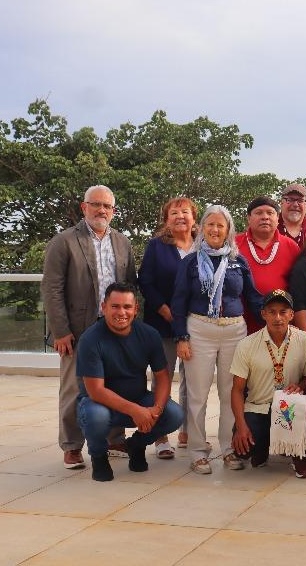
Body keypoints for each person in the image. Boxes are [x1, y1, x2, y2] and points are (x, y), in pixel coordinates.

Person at [42, 185, 138, 470]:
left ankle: (114, 439)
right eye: (96, 204)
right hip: (77, 328)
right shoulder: (64, 241)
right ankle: (72, 446)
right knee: (74, 388)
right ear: (84, 207)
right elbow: (51, 288)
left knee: (115, 383)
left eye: (107, 206)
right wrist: (61, 331)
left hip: (116, 327)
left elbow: (130, 287)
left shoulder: (122, 242)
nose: (101, 210)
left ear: (113, 211)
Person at [172, 205, 265, 474]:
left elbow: (253, 297)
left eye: (220, 225)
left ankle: (228, 448)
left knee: (230, 393)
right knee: (198, 395)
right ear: (202, 228)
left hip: (234, 332)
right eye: (210, 224)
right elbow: (178, 301)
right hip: (199, 330)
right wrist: (181, 337)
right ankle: (197, 451)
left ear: (228, 230)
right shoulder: (190, 261)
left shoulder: (239, 261)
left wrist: (275, 317)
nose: (215, 230)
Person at [76, 282, 184, 481]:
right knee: (95, 416)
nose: (121, 312)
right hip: (99, 405)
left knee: (174, 414)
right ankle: (99, 456)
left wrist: (156, 409)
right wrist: (135, 411)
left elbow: (162, 376)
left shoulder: (149, 334)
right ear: (104, 307)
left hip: (138, 398)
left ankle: (136, 445)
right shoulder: (90, 339)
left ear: (136, 309)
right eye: (115, 306)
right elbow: (96, 391)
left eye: (127, 307)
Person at [228, 290, 306, 477]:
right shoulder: (246, 344)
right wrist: (241, 427)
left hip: (289, 407)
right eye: (272, 312)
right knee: (244, 450)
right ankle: (262, 448)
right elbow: (237, 390)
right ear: (263, 314)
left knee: (303, 410)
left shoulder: (305, 340)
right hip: (259, 407)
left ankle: (298, 455)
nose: (278, 318)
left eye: (283, 312)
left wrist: (301, 386)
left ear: (292, 315)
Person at [138, 196, 199, 459]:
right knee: (162, 378)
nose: (180, 216)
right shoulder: (156, 246)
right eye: (174, 213)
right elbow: (146, 282)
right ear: (166, 220)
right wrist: (166, 310)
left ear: (194, 218)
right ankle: (160, 436)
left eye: (185, 212)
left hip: (196, 324)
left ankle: (187, 430)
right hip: (162, 323)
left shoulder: (203, 245)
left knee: (192, 380)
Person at [235, 196, 302, 334]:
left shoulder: (291, 246)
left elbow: (298, 289)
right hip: (239, 325)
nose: (265, 217)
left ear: (278, 218)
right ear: (249, 218)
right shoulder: (233, 245)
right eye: (259, 213)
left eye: (270, 213)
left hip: (280, 325)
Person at [278, 184, 306, 249]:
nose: (295, 204)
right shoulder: (269, 225)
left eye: (300, 200)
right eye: (289, 200)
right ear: (281, 203)